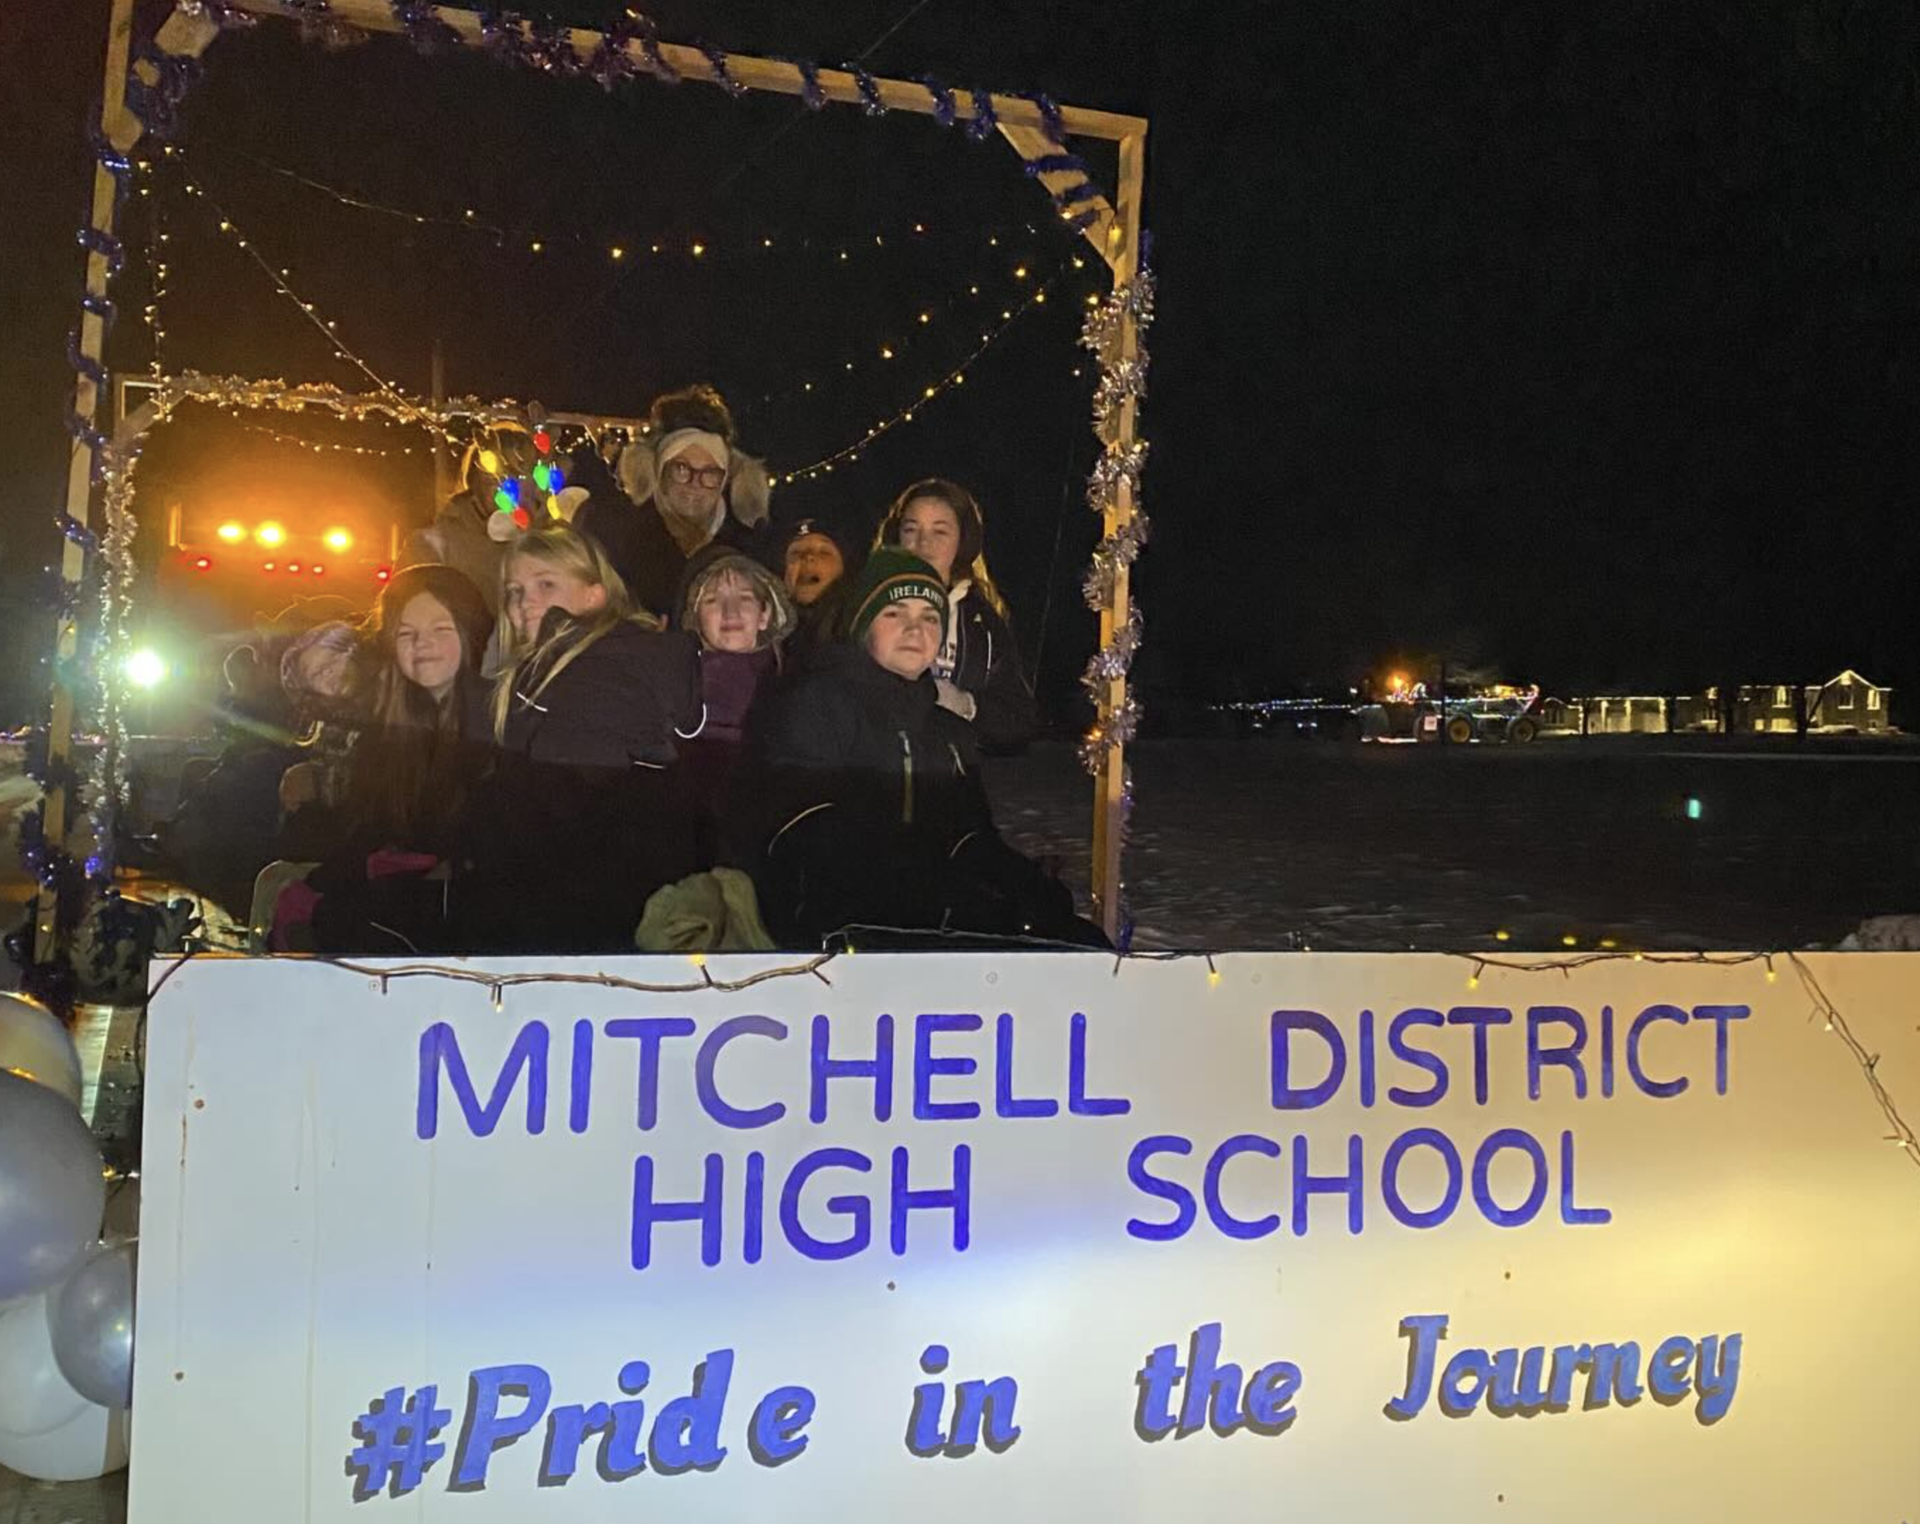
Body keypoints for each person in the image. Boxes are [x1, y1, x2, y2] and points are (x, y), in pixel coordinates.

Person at [751, 549, 1102, 950]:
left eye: (930, 618)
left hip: (930, 916)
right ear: (863, 625)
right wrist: (926, 894)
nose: (915, 630)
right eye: (895, 613)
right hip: (836, 927)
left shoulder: (945, 728)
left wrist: (1021, 883)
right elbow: (802, 833)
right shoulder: (817, 703)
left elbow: (968, 836)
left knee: (1083, 945)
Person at [453, 524, 702, 952]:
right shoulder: (539, 676)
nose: (524, 600)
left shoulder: (606, 669)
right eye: (514, 590)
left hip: (592, 927)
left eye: (545, 584)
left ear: (595, 594)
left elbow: (569, 820)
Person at [298, 564, 494, 952]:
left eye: (441, 629)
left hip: (464, 917)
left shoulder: (500, 720)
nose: (423, 644)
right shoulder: (389, 732)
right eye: (408, 634)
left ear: (470, 630)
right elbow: (366, 828)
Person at [573, 384, 772, 617]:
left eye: (710, 473)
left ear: (725, 479)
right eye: (681, 468)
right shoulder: (614, 534)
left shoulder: (750, 544)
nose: (695, 483)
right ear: (658, 469)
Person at [873, 478, 1036, 753]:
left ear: (962, 540)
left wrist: (967, 705)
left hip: (952, 774)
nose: (923, 543)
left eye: (940, 532)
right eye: (911, 529)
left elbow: (1017, 719)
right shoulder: (866, 606)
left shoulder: (982, 623)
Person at [673, 544, 796, 867]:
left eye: (744, 598)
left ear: (764, 613)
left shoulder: (796, 686)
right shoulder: (673, 690)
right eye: (713, 600)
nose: (731, 613)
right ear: (696, 617)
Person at [778, 516, 856, 654]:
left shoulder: (857, 632)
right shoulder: (763, 632)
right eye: (796, 552)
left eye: (824, 552)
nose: (808, 557)